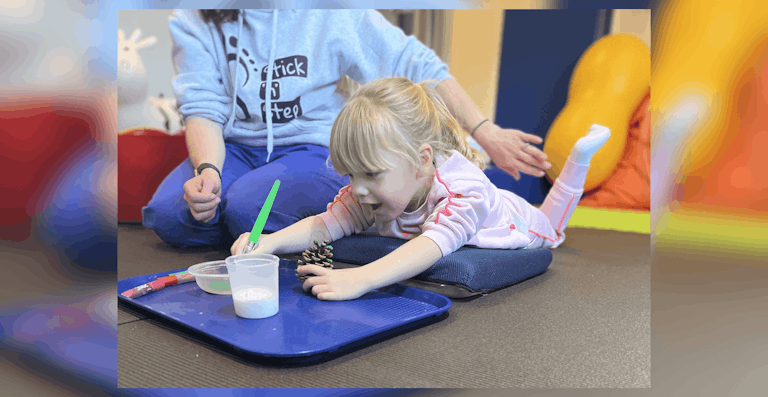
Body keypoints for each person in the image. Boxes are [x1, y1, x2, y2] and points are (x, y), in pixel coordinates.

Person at [143, 9, 550, 249]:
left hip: (309, 144)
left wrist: (485, 131)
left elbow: (419, 65)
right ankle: (250, 216)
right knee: (169, 216)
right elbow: (202, 106)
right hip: (232, 145)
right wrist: (209, 171)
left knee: (247, 208)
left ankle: (259, 216)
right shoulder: (194, 15)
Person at [231, 77, 610, 301]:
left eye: (370, 175)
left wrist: (360, 279)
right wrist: (270, 241)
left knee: (553, 227)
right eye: (349, 176)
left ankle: (579, 158)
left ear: (423, 160)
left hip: (510, 218)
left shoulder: (465, 194)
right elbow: (326, 223)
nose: (357, 191)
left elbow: (430, 246)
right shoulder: (369, 192)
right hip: (476, 201)